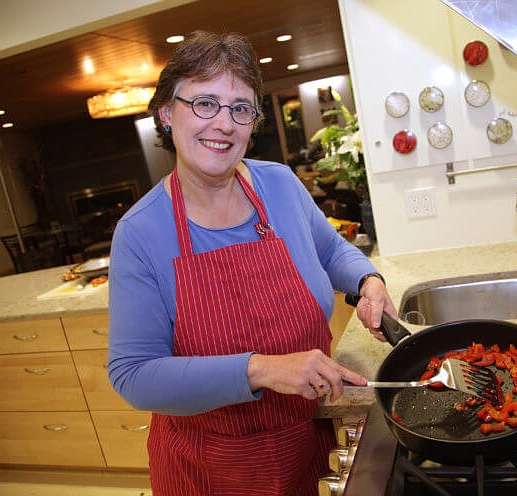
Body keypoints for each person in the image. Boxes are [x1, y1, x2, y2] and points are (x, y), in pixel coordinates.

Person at [107, 30, 396, 496]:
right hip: (208, 466)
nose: (224, 123)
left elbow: (330, 249)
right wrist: (260, 369)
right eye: (204, 103)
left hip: (307, 442)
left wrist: (368, 280)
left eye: (240, 108)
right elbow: (134, 375)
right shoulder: (141, 233)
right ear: (165, 112)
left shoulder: (279, 184)